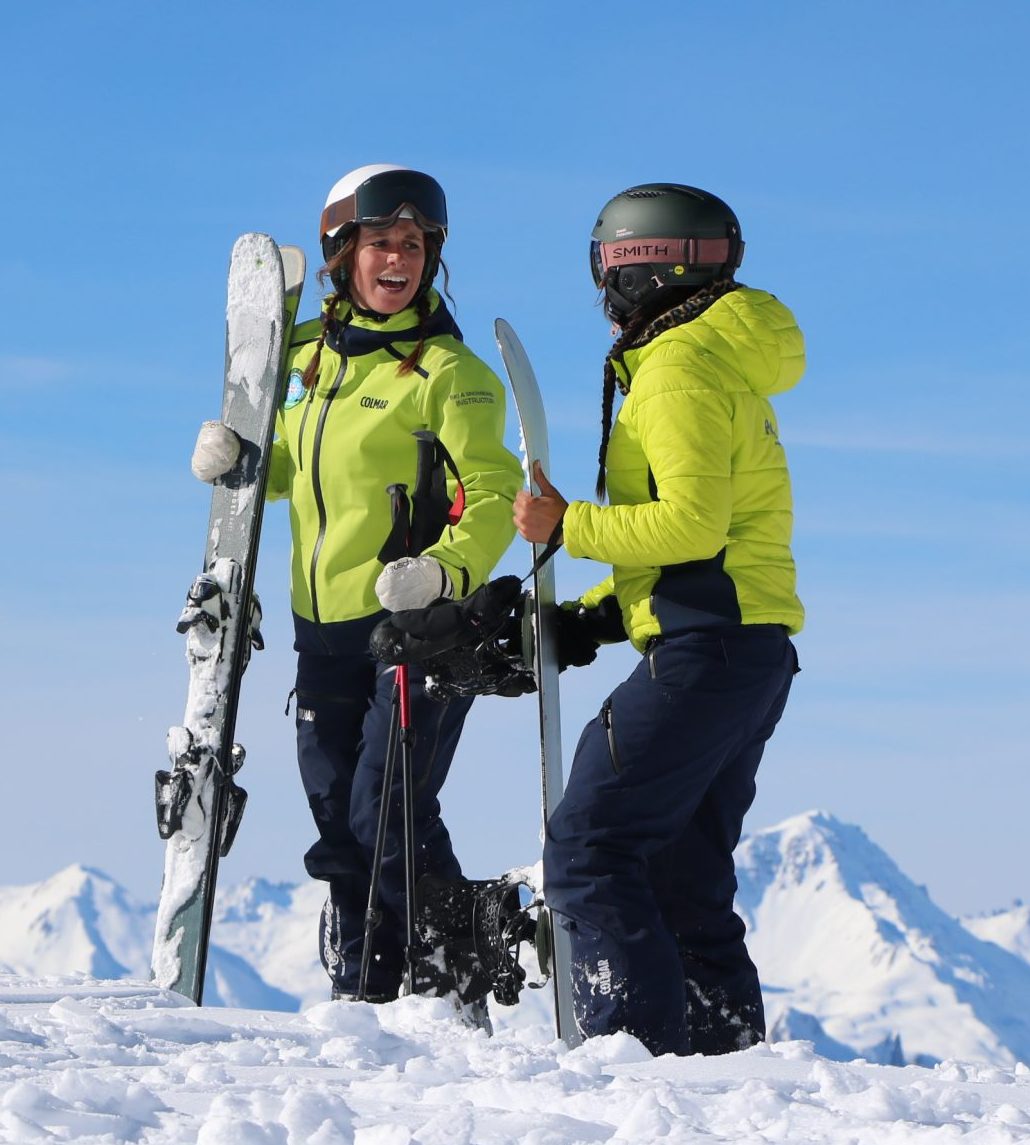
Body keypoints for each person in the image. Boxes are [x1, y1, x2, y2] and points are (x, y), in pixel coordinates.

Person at [192, 164, 523, 1005]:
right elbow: (285, 477)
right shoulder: (302, 359)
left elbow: (492, 492)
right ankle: (365, 988)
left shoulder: (449, 371)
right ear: (343, 253)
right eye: (382, 243)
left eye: (415, 245)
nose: (399, 259)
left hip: (423, 626)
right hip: (323, 630)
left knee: (386, 807)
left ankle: (445, 977)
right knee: (342, 820)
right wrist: (236, 460)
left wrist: (443, 570)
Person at [513, 182, 804, 1057]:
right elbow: (710, 547)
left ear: (638, 265)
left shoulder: (676, 369)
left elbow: (690, 525)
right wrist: (601, 618)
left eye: (604, 266)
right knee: (683, 872)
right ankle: (726, 1068)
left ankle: (634, 1062)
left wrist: (568, 526)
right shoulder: (716, 358)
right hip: (742, 651)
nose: (601, 288)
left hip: (706, 656)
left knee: (588, 847)